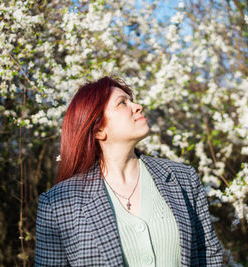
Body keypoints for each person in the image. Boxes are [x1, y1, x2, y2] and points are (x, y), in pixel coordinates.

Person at [34, 76, 223, 266]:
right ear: (99, 130)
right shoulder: (59, 204)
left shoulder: (183, 179)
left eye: (131, 100)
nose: (137, 106)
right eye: (122, 103)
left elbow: (209, 256)